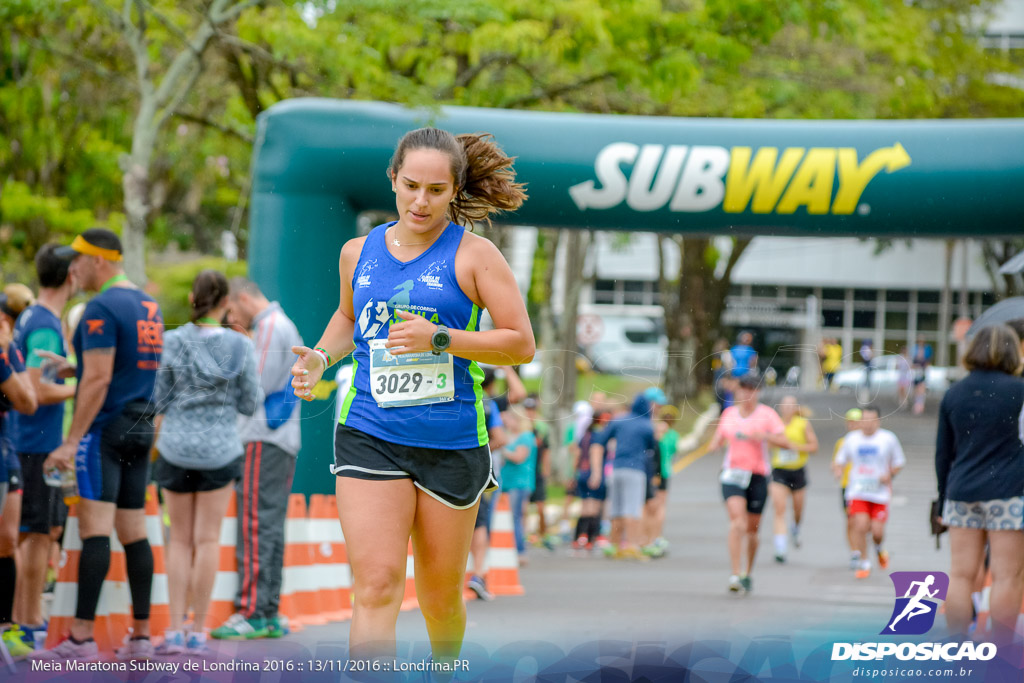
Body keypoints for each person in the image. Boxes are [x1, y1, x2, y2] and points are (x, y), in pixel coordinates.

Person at [288, 127, 533, 665]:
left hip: (451, 440)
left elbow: (521, 344)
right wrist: (321, 359)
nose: (421, 201)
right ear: (393, 180)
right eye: (411, 185)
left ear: (454, 190)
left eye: (436, 190)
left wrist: (441, 338)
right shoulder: (358, 252)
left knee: (440, 598)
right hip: (370, 432)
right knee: (375, 584)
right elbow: (349, 318)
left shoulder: (476, 256)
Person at [38, 228, 163, 660]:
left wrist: (71, 441)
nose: (72, 268)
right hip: (140, 429)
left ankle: (80, 639)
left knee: (95, 532)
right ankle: (142, 637)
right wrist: (72, 367)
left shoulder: (100, 306)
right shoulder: (148, 304)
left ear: (99, 261)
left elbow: (101, 377)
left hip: (105, 432)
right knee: (134, 533)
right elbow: (125, 367)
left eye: (78, 259)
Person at [151, 271, 259, 654]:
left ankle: (174, 629)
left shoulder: (172, 340)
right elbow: (250, 402)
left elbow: (158, 397)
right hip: (220, 449)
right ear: (226, 302)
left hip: (176, 448)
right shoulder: (239, 345)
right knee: (208, 538)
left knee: (178, 539)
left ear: (193, 299)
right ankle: (199, 629)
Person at [211, 277, 303, 640]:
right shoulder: (285, 325)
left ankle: (251, 610)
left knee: (254, 523)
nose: (233, 319)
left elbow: (255, 385)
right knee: (269, 525)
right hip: (280, 439)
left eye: (231, 311)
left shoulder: (268, 327)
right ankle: (266, 610)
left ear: (242, 299)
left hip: (261, 439)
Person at [934, 324, 1024, 643]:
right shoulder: (1020, 391)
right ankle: (999, 653)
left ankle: (957, 646)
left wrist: (943, 500)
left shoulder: (954, 393)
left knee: (960, 574)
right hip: (1009, 493)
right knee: (1006, 577)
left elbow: (943, 454)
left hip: (961, 492)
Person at [10, 247, 77, 651]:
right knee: (36, 535)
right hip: (37, 445)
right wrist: (81, 387)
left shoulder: (30, 317)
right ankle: (28, 621)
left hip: (29, 442)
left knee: (32, 533)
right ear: (72, 275)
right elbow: (35, 387)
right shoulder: (46, 325)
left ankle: (22, 619)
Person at [707, 372, 791, 594]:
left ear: (758, 392)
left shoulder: (768, 415)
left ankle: (747, 572)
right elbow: (718, 438)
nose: (747, 393)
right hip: (732, 474)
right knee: (737, 523)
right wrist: (714, 445)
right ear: (738, 391)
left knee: (752, 531)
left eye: (752, 389)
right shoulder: (729, 414)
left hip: (758, 475)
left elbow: (785, 442)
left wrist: (765, 436)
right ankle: (734, 574)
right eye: (744, 389)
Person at [0, 286, 38, 657]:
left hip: (7, 452)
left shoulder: (8, 348)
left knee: (8, 540)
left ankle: (8, 629)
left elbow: (28, 399)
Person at [832, 404, 905, 580]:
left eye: (871, 420)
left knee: (878, 532)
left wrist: (889, 475)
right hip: (857, 490)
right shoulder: (851, 439)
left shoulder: (888, 439)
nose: (867, 424)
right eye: (864, 420)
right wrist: (838, 469)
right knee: (860, 525)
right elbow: (839, 460)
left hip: (879, 492)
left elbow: (899, 462)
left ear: (878, 421)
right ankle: (864, 561)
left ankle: (879, 549)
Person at [590, 393, 657, 560]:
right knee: (632, 509)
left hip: (616, 468)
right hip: (635, 470)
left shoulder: (619, 420)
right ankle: (632, 545)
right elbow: (651, 448)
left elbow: (600, 440)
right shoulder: (646, 425)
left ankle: (614, 545)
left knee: (616, 508)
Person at [466, 368, 508, 602]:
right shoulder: (489, 405)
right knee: (479, 521)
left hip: (446, 466)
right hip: (479, 471)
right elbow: (500, 438)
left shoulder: (455, 398)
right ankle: (479, 573)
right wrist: (479, 452)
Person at [769, 396, 819, 563]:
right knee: (780, 509)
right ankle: (780, 548)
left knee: (797, 510)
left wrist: (796, 447)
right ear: (780, 408)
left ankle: (795, 528)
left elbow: (814, 447)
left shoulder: (802, 424)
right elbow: (767, 444)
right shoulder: (775, 424)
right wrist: (778, 442)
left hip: (797, 471)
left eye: (791, 405)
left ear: (796, 407)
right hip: (779, 471)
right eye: (785, 405)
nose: (788, 408)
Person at [500, 409, 537, 567]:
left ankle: (520, 550)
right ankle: (511, 549)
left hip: (520, 483)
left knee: (516, 517)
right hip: (507, 482)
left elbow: (519, 457)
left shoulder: (526, 436)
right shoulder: (510, 436)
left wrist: (502, 449)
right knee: (510, 518)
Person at [570, 411, 611, 552]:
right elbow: (595, 454)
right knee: (594, 508)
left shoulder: (585, 435)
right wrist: (596, 474)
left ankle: (579, 537)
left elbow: (577, 455)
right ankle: (590, 538)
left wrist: (573, 474)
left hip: (582, 472)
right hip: (593, 472)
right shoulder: (600, 435)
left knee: (585, 507)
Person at [644, 406, 679, 558]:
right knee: (660, 506)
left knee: (650, 506)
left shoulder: (655, 432)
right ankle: (656, 536)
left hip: (654, 472)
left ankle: (650, 537)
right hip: (663, 472)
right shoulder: (673, 435)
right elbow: (673, 452)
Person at [832, 408, 863, 569]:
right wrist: (837, 470)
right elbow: (836, 463)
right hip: (848, 486)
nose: (853, 425)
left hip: (865, 486)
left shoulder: (868, 441)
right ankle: (854, 552)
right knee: (851, 520)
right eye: (850, 422)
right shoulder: (842, 443)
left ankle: (864, 548)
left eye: (856, 422)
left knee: (864, 522)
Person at [910, 334, 933, 415]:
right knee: (916, 388)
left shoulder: (927, 348)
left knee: (922, 387)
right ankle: (917, 404)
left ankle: (920, 404)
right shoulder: (914, 348)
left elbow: (928, 360)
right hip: (916, 369)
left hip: (923, 370)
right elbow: (912, 359)